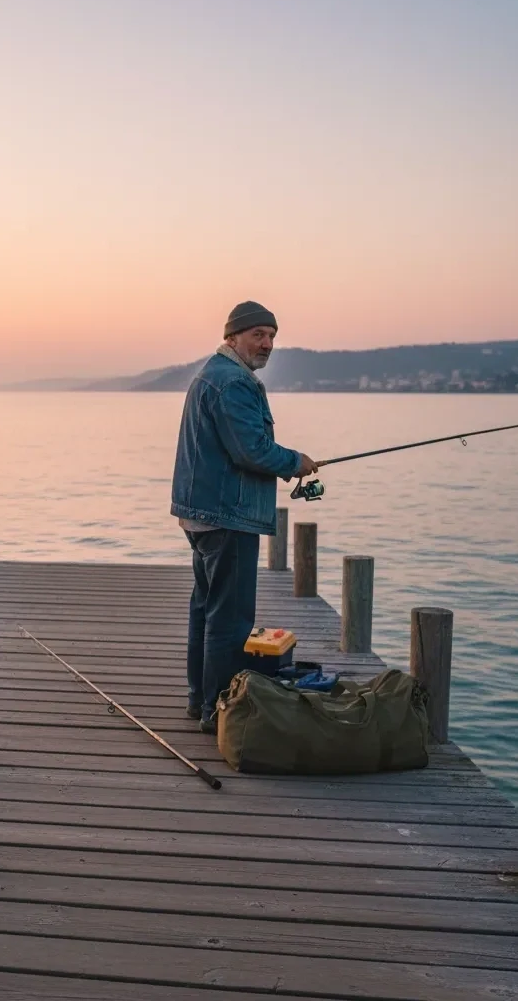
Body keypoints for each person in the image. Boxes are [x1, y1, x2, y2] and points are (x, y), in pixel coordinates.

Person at [170, 301, 316, 732]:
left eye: (272, 336)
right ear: (232, 336)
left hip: (202, 513)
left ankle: (200, 701)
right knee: (230, 620)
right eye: (258, 335)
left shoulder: (212, 374)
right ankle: (219, 711)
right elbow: (251, 449)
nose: (267, 344)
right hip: (227, 516)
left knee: (207, 610)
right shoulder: (232, 381)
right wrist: (296, 461)